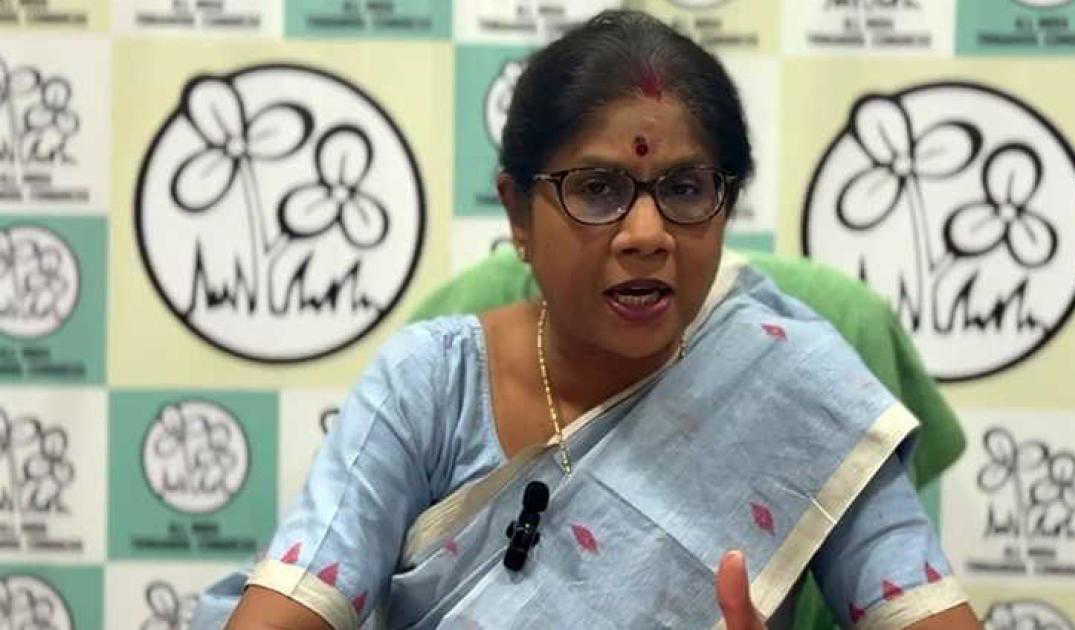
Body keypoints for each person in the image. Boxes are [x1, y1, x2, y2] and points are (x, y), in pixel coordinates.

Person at [193, 10, 981, 630]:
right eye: (597, 189)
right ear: (518, 213)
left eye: (685, 188)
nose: (647, 234)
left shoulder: (793, 388)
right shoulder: (433, 383)